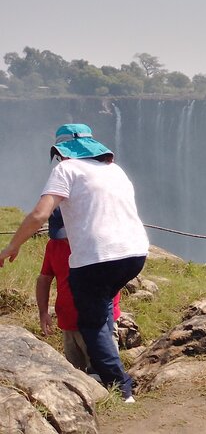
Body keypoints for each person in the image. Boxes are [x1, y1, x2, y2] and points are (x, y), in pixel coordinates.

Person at [0, 123, 149, 403]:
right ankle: (108, 371)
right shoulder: (115, 170)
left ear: (63, 152)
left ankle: (121, 388)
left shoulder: (66, 169)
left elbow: (40, 214)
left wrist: (12, 245)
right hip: (135, 254)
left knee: (90, 324)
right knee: (102, 307)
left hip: (96, 259)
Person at [37, 207, 122, 372]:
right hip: (68, 323)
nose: (65, 239)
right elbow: (44, 279)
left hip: (98, 322)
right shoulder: (53, 246)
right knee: (77, 375)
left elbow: (113, 279)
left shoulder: (99, 242)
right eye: (60, 234)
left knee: (105, 375)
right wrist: (43, 312)